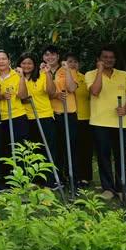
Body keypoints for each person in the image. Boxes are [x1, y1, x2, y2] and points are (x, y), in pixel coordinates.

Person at [85, 45, 126, 204]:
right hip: (99, 123)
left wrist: (125, 109)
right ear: (98, 59)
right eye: (105, 57)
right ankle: (108, 188)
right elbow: (95, 91)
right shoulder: (90, 74)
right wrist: (100, 71)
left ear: (115, 59)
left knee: (121, 157)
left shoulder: (124, 75)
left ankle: (122, 189)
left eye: (111, 57)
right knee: (103, 156)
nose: (108, 60)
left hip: (121, 124)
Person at [17, 53, 57, 185]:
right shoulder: (17, 77)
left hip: (44, 116)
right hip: (26, 117)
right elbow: (21, 96)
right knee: (31, 150)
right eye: (24, 63)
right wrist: (21, 77)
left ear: (34, 65)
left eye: (29, 63)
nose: (26, 66)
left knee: (47, 149)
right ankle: (34, 180)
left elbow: (51, 92)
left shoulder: (42, 75)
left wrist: (48, 74)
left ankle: (49, 181)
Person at [43, 45, 78, 187]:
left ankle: (73, 178)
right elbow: (43, 93)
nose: (50, 57)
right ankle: (58, 179)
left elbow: (71, 88)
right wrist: (55, 95)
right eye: (47, 55)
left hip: (68, 113)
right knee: (55, 148)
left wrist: (67, 70)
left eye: (52, 54)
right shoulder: (42, 72)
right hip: (51, 115)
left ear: (58, 56)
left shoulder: (67, 70)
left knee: (70, 147)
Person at [0, 50, 29, 183]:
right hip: (0, 117)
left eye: (3, 59)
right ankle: (6, 182)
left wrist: (22, 77)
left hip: (17, 116)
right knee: (3, 151)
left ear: (9, 60)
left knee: (19, 150)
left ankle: (21, 181)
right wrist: (1, 95)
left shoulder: (16, 74)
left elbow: (23, 95)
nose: (1, 62)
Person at [66, 53, 93, 188]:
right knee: (71, 149)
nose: (73, 64)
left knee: (85, 149)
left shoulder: (85, 78)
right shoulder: (61, 77)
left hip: (85, 118)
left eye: (75, 61)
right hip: (69, 117)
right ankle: (71, 175)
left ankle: (85, 177)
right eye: (70, 61)